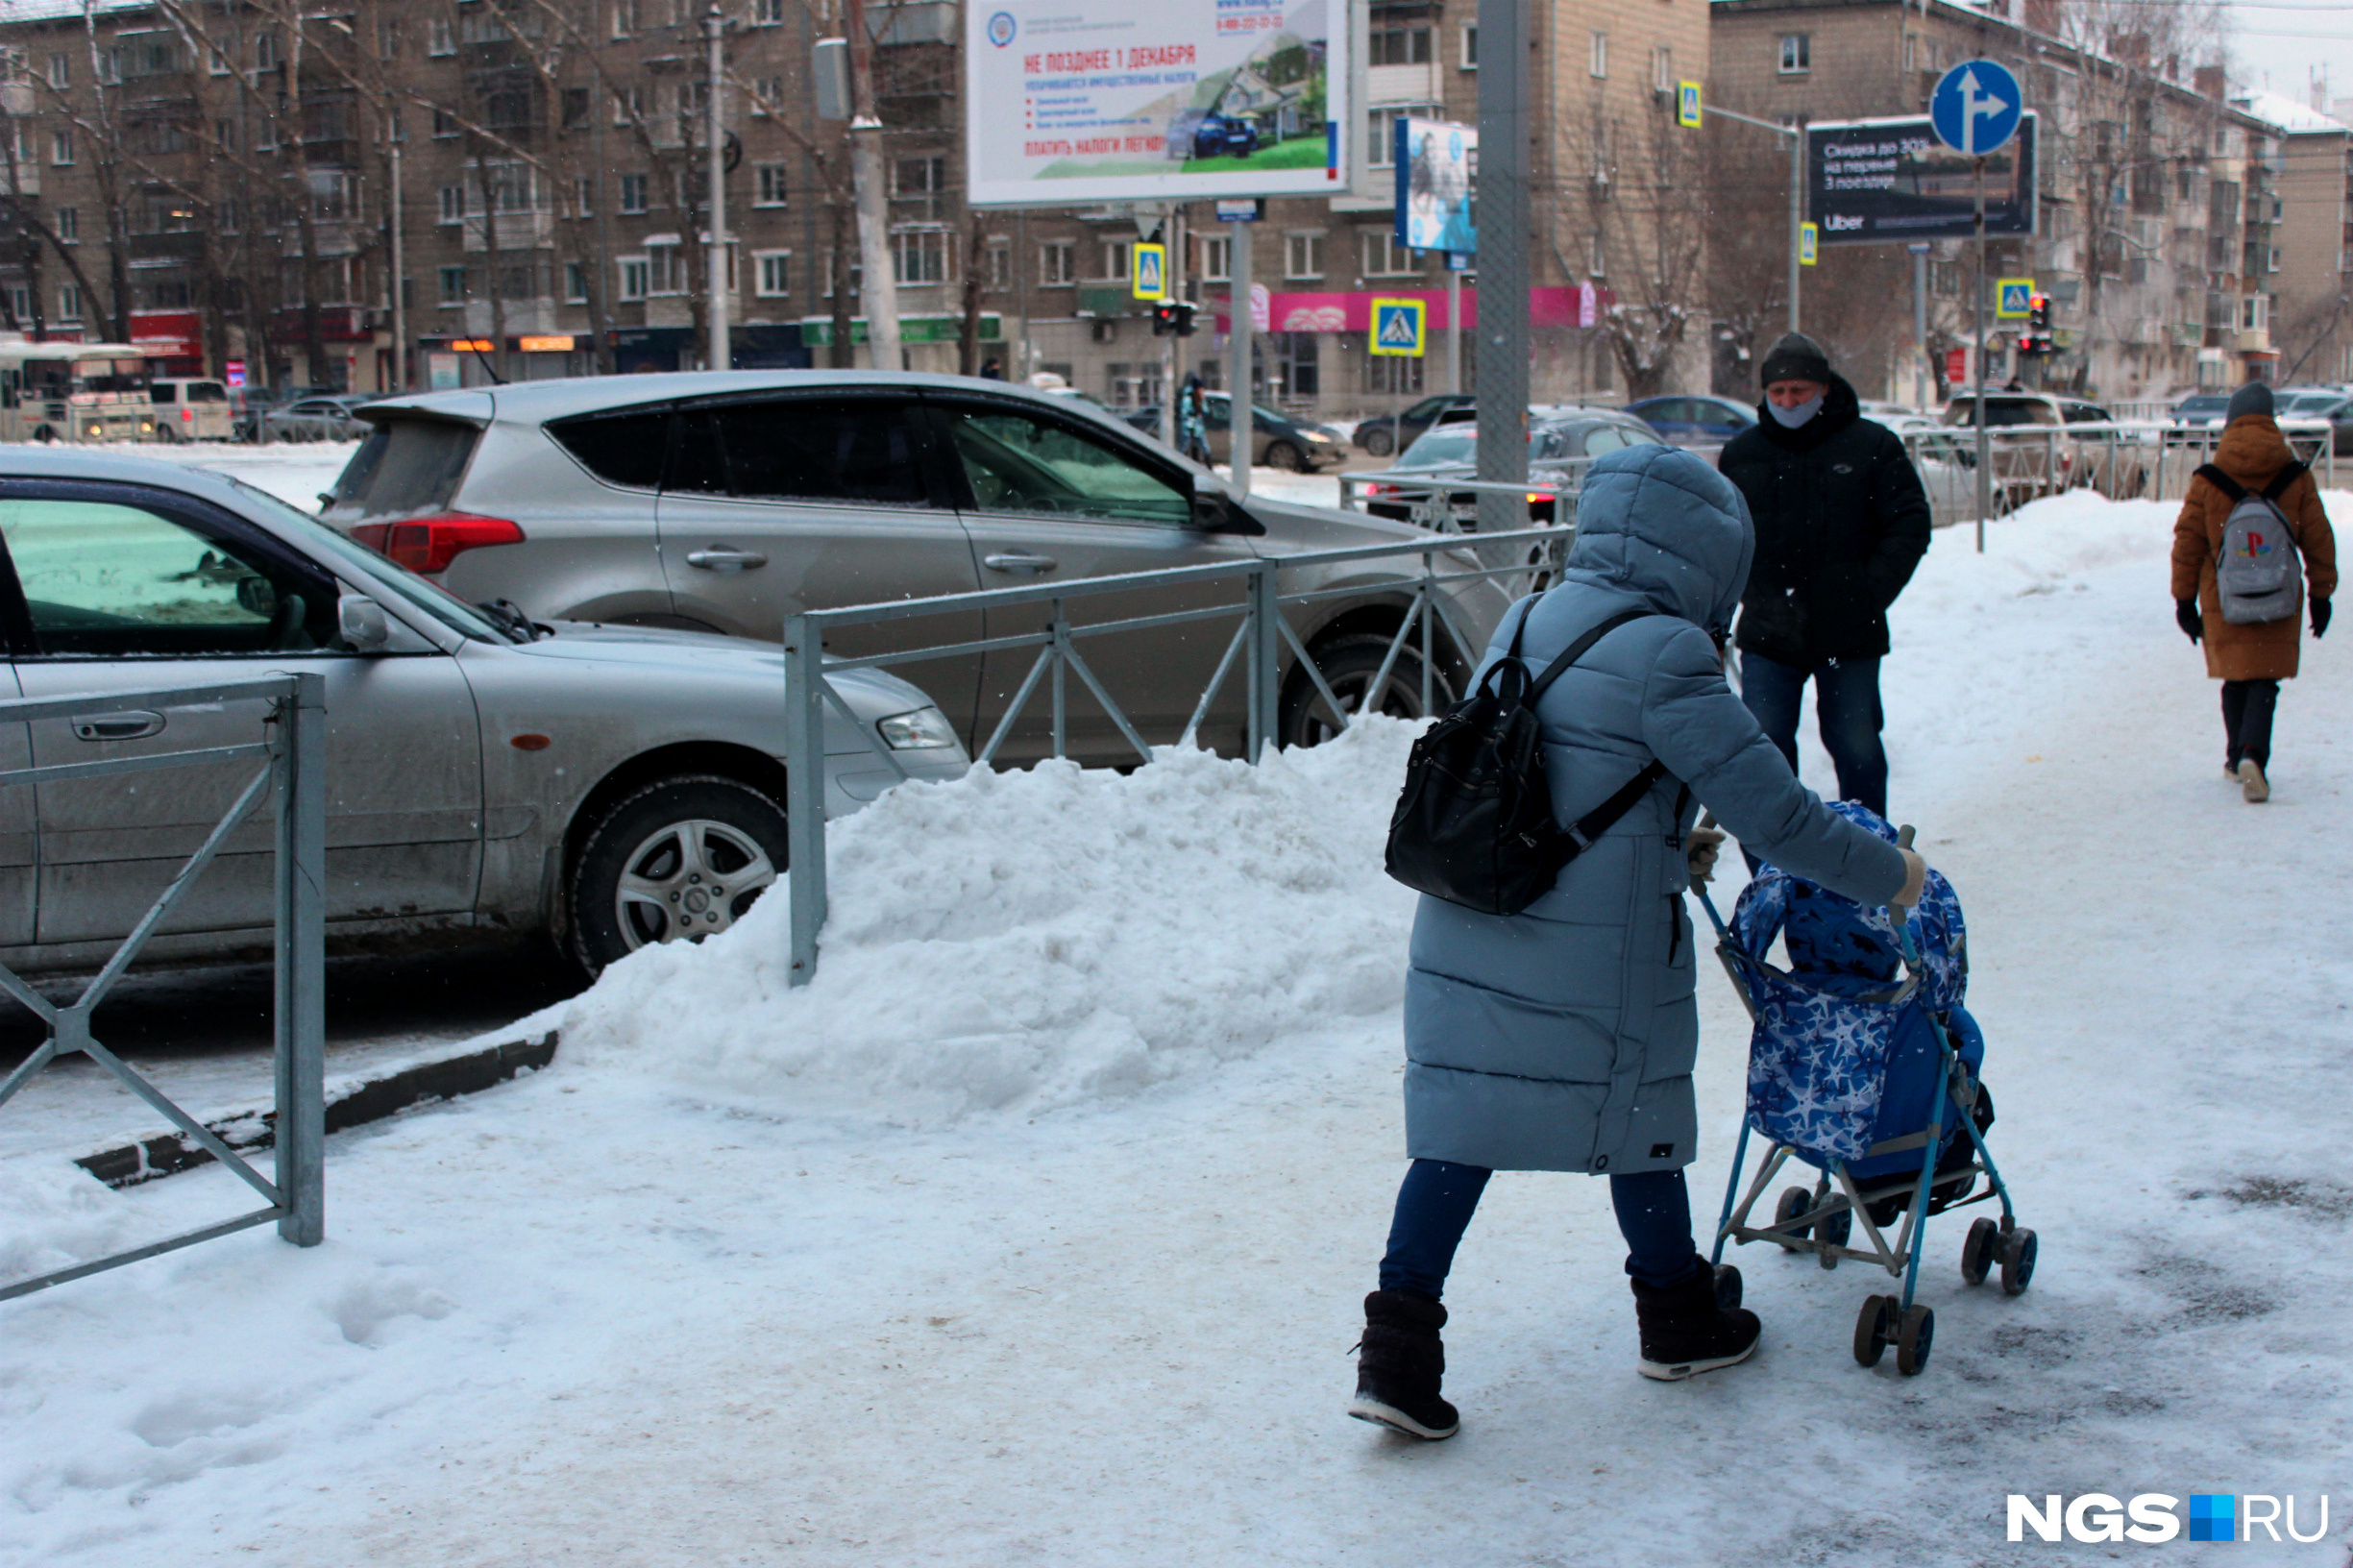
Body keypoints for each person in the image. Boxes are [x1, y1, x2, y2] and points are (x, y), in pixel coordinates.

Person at [1350, 443, 1925, 1442]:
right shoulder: (1669, 651)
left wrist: (1665, 829)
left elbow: (1551, 759)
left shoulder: (1530, 614)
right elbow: (1780, 819)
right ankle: (1677, 1318)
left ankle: (1395, 1356)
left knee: (1463, 1123)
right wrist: (1896, 876)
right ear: (1708, 556)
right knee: (1637, 1113)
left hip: (1479, 906)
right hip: (1594, 942)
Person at [1715, 332, 1932, 820]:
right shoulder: (1742, 454)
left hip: (1849, 632)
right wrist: (1745, 596)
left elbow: (1910, 523)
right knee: (1764, 754)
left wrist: (1868, 592)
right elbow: (1721, 536)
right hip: (1769, 632)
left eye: (1800, 390)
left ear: (1825, 389)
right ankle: (1775, 871)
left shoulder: (1871, 445)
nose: (1789, 402)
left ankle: (1868, 860)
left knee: (1857, 750)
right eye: (1778, 393)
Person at [2170, 380, 2337, 802]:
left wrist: (2184, 599)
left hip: (2223, 595)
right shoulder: (2295, 476)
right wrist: (2322, 594)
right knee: (2265, 678)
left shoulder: (2209, 478)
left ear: (2229, 422)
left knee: (2235, 677)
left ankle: (2234, 756)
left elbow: (2188, 542)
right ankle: (2252, 754)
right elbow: (2319, 539)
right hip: (2279, 592)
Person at [1177, 375, 1212, 465]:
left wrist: (1203, 401)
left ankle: (1209, 468)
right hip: (1189, 428)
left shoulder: (1200, 399)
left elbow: (1206, 411)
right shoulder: (1188, 399)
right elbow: (1184, 414)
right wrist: (1191, 422)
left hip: (1198, 428)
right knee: (1184, 448)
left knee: (1205, 448)